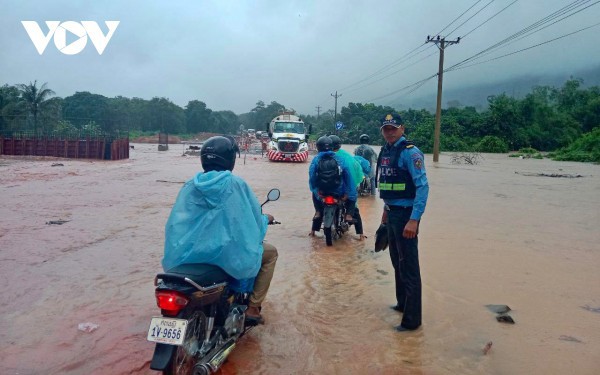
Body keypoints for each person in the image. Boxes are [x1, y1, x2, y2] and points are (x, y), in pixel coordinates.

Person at [162, 136, 278, 324]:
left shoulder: (189, 185)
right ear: (231, 159)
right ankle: (254, 309)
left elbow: (176, 223)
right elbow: (253, 221)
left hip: (187, 254)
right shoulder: (236, 185)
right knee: (271, 254)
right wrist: (266, 220)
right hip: (226, 256)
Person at [377, 113, 429, 332]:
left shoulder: (411, 153)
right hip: (392, 214)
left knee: (409, 268)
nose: (389, 131)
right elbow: (388, 188)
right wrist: (384, 218)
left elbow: (422, 187)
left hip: (407, 215)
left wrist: (414, 220)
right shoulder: (386, 150)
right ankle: (402, 304)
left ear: (402, 128)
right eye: (386, 128)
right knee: (397, 263)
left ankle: (412, 321)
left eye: (393, 128)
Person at [309, 136, 357, 236]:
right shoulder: (341, 159)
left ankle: (318, 212)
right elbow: (348, 177)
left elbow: (312, 177)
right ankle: (348, 215)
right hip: (338, 192)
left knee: (314, 194)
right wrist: (349, 193)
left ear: (318, 147)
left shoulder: (316, 160)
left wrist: (315, 190)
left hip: (322, 192)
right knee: (353, 197)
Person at [330, 134, 367, 240]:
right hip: (346, 190)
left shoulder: (323, 156)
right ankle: (360, 235)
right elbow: (356, 175)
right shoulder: (348, 157)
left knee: (319, 207)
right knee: (354, 209)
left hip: (329, 190)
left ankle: (313, 230)